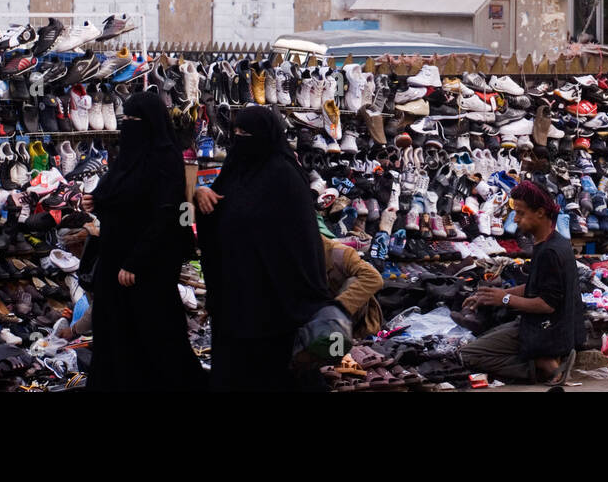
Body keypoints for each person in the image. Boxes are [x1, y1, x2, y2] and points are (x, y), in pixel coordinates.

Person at [195, 105, 333, 392]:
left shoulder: (285, 177)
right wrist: (200, 195)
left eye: (246, 133)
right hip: (236, 299)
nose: (239, 138)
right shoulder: (236, 169)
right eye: (235, 131)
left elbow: (301, 245)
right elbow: (218, 213)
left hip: (275, 304)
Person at [85, 90, 204, 391]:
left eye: (133, 120)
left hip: (147, 264)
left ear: (149, 123)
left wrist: (136, 262)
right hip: (116, 258)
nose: (127, 126)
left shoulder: (165, 159)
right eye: (124, 120)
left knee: (153, 331)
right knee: (116, 329)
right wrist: (95, 200)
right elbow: (118, 191)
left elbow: (165, 215)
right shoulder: (129, 156)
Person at [458, 181, 583, 386]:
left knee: (468, 355)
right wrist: (491, 296)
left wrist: (505, 299)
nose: (515, 219)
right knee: (484, 336)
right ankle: (543, 360)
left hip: (547, 330)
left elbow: (546, 304)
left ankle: (544, 366)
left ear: (540, 213)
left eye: (521, 213)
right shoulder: (553, 242)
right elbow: (537, 286)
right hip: (552, 326)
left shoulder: (550, 252)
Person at [322, 235, 384, 338]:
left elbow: (374, 278)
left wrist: (337, 308)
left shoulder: (340, 253)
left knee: (353, 281)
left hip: (349, 321)